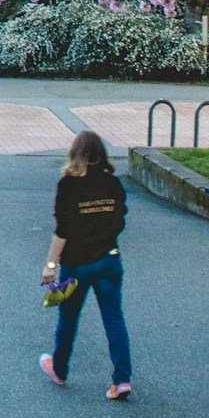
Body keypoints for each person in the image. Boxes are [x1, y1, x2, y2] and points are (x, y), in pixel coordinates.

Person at [40, 131, 132, 401]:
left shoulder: (67, 185)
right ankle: (122, 379)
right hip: (108, 260)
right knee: (114, 318)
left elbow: (63, 230)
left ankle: (59, 369)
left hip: (76, 265)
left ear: (75, 153)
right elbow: (119, 221)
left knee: (68, 319)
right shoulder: (113, 184)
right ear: (101, 154)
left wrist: (50, 265)